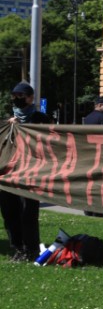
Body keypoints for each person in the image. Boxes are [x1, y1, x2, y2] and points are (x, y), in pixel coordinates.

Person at [2, 81, 54, 262]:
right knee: (10, 213)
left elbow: (50, 142)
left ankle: (30, 248)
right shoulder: (8, 121)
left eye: (21, 96)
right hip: (8, 175)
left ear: (31, 98)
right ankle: (18, 248)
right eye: (14, 96)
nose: (17, 99)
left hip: (30, 174)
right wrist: (10, 127)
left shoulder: (40, 118)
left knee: (28, 214)